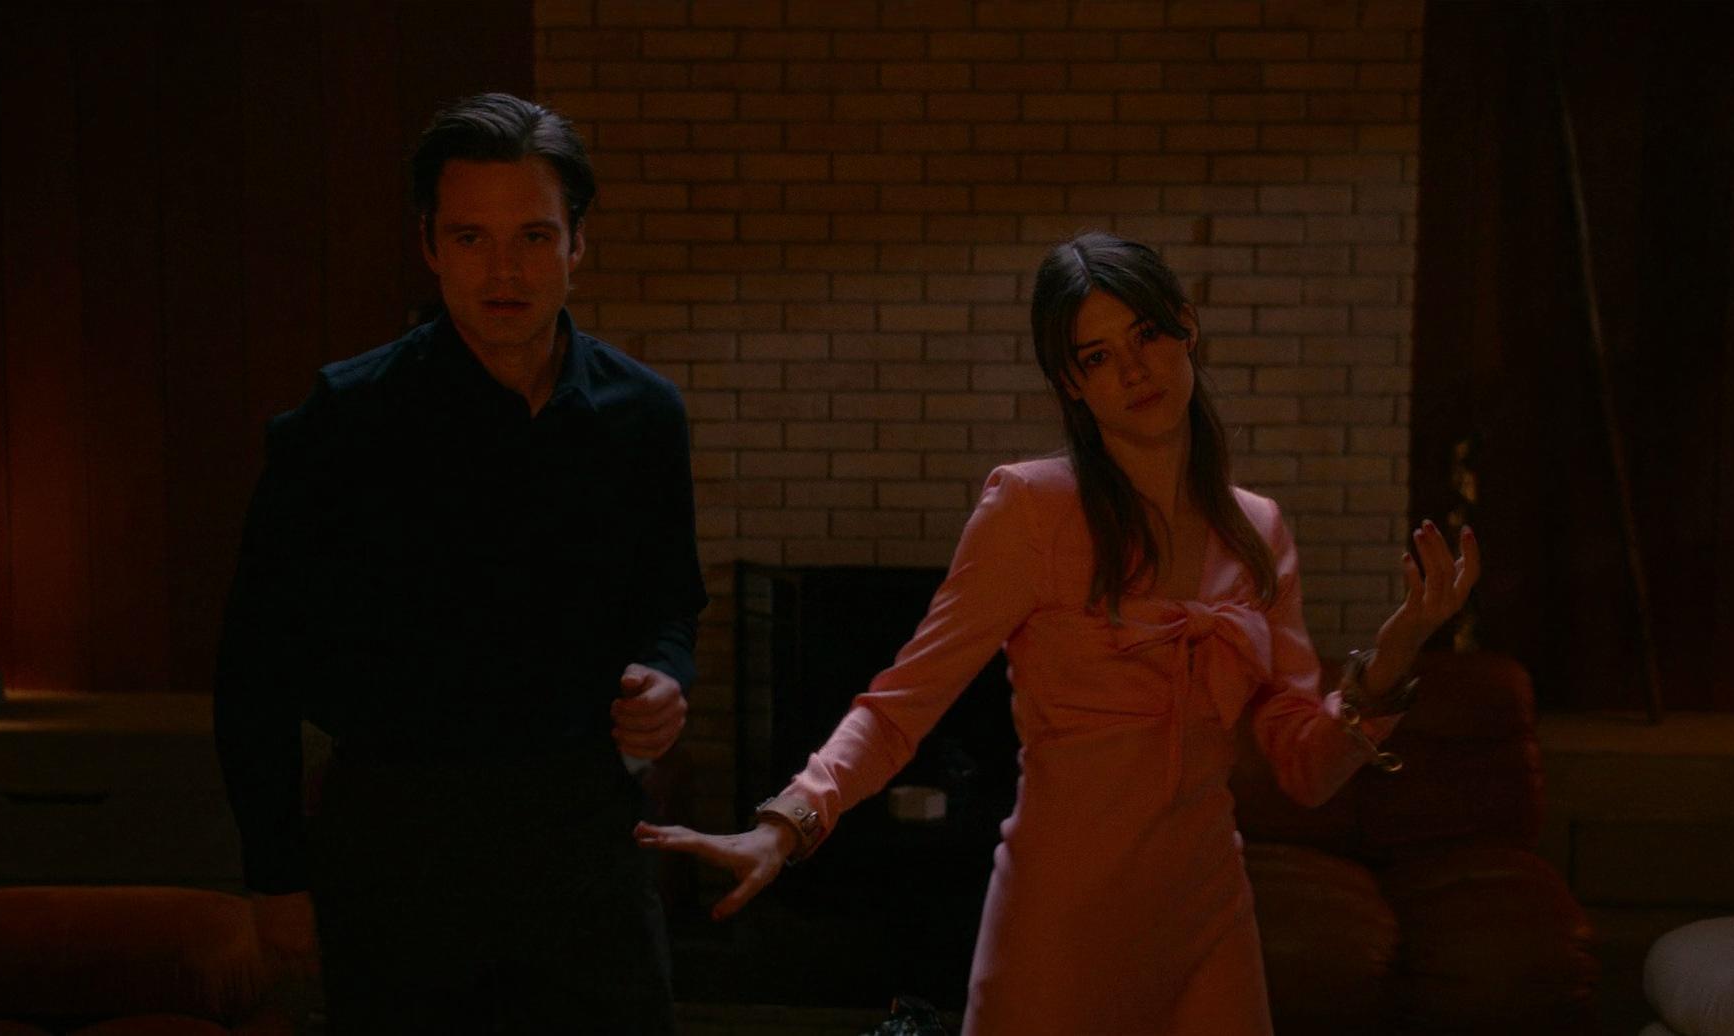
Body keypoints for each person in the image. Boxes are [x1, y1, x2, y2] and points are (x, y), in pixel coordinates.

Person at [636, 232, 1480, 1035]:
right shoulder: (1031, 510)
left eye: (1146, 334)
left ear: (1188, 328)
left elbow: (1308, 769)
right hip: (1062, 920)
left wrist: (1398, 650)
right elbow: (901, 703)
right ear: (1072, 385)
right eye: (1097, 356)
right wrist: (786, 824)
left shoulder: (1257, 531)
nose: (1134, 369)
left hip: (1207, 919)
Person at [214, 93, 706, 1034]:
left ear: (577, 244)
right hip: (401, 847)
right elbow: (253, 671)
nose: (503, 270)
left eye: (533, 236)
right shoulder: (345, 421)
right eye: (471, 238)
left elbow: (671, 604)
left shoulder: (644, 416)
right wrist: (274, 876)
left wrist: (665, 676)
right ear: (431, 246)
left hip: (583, 842)